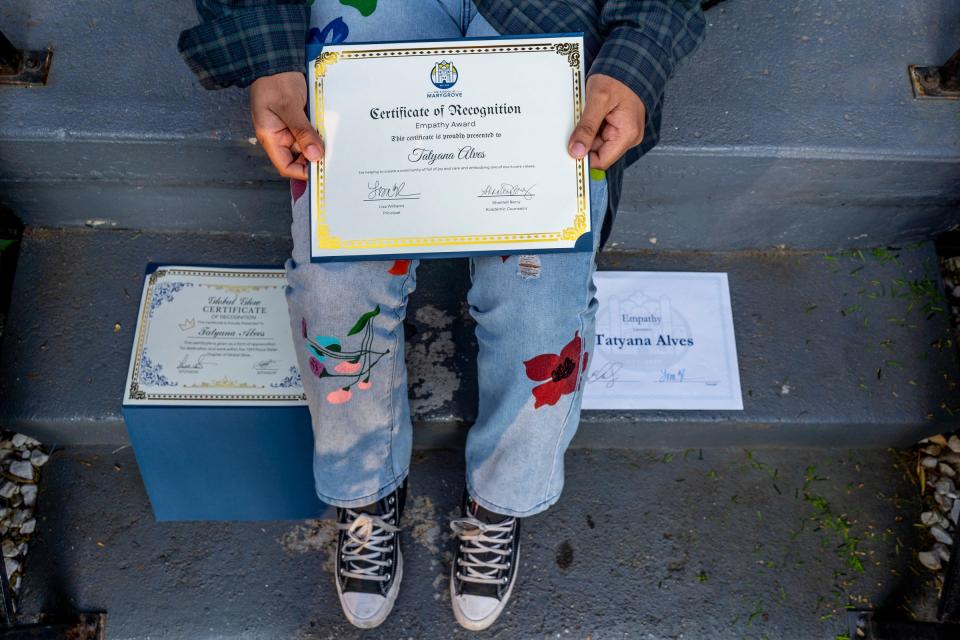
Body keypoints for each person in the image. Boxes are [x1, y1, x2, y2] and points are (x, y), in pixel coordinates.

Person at [178, 0, 704, 630]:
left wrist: (635, 61)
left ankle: (499, 501)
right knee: (334, 293)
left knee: (545, 313)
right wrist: (269, 56)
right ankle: (366, 487)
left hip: (548, 19)